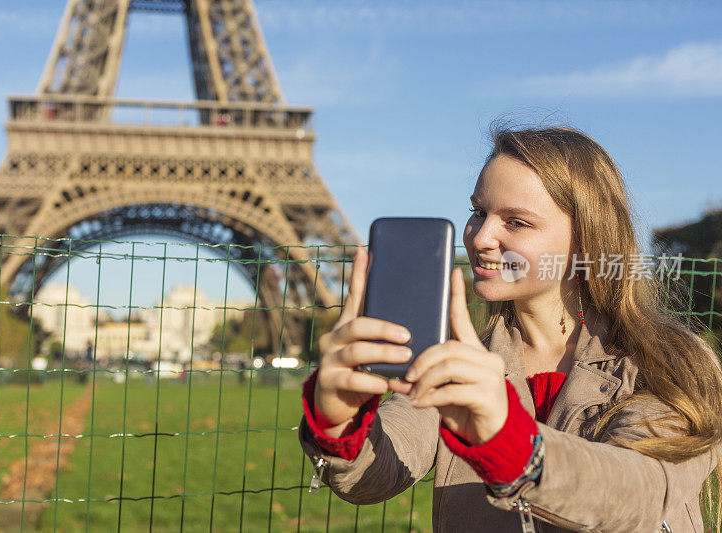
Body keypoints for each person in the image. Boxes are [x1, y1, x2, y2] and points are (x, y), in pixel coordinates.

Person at [298, 125, 722, 532]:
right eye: (478, 212)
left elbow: (640, 495)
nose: (480, 236)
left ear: (585, 241)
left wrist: (511, 442)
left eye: (516, 222)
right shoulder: (460, 362)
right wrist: (340, 423)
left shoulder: (669, 361)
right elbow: (381, 472)